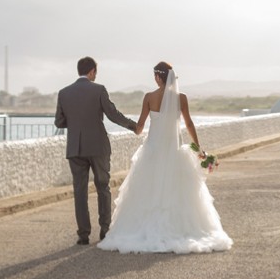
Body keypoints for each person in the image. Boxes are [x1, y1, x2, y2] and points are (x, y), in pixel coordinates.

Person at [98, 61, 232, 254]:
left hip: (152, 150)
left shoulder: (149, 97)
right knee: (178, 190)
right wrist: (199, 149)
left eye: (155, 75)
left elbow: (139, 128)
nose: (154, 78)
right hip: (174, 150)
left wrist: (128, 125)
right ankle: (182, 229)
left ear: (159, 77)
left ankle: (142, 230)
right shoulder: (181, 98)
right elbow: (189, 124)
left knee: (148, 191)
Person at [55, 56, 140, 245]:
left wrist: (77, 123)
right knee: (103, 187)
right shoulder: (99, 90)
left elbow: (59, 122)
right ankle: (105, 230)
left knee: (80, 191)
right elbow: (112, 115)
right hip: (97, 146)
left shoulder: (63, 93)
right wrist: (134, 126)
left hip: (75, 148)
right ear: (92, 71)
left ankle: (83, 235)